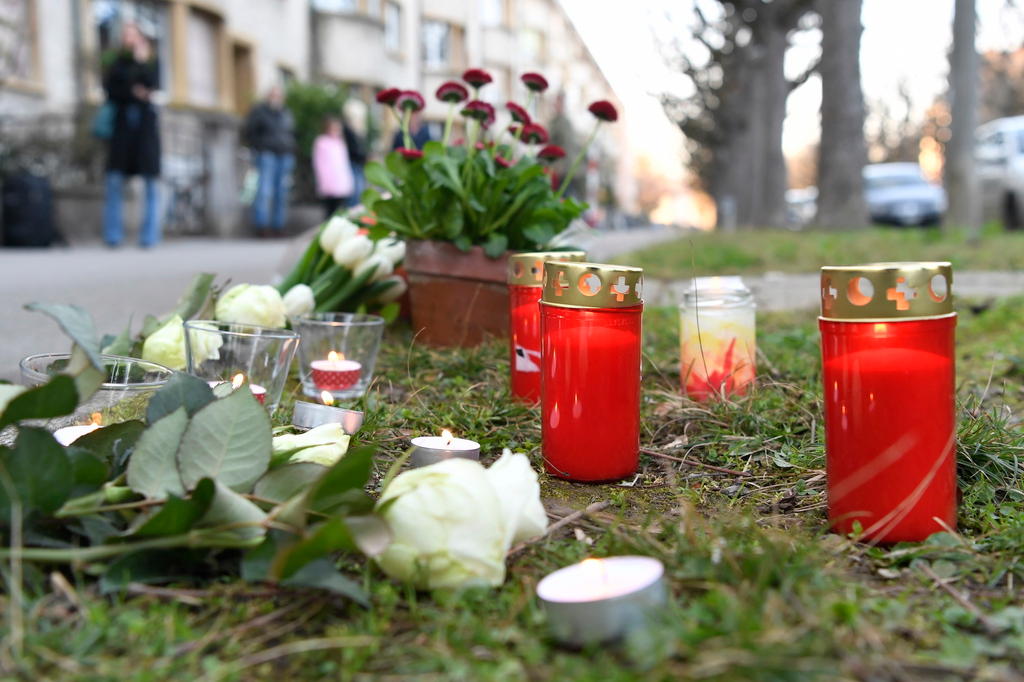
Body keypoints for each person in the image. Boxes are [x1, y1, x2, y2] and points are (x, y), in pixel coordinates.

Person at [102, 22, 161, 248]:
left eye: (134, 35)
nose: (130, 39)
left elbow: (153, 85)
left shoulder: (150, 62)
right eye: (126, 35)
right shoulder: (116, 62)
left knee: (150, 182)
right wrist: (134, 91)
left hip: (145, 130)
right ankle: (113, 235)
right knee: (114, 181)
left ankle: (149, 236)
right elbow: (111, 90)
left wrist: (141, 63)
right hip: (123, 129)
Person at [243, 86, 295, 237]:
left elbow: (291, 133)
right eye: (274, 95)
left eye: (279, 96)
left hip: (284, 154)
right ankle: (262, 226)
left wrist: (291, 148)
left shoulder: (285, 113)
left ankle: (279, 226)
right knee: (265, 191)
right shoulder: (260, 112)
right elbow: (250, 132)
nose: (276, 98)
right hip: (266, 154)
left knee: (282, 192)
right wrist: (259, 147)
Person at [312, 116, 355, 219]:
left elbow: (344, 164)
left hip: (341, 183)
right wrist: (323, 181)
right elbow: (319, 164)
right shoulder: (321, 142)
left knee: (340, 211)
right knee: (329, 211)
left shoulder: (340, 142)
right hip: (329, 182)